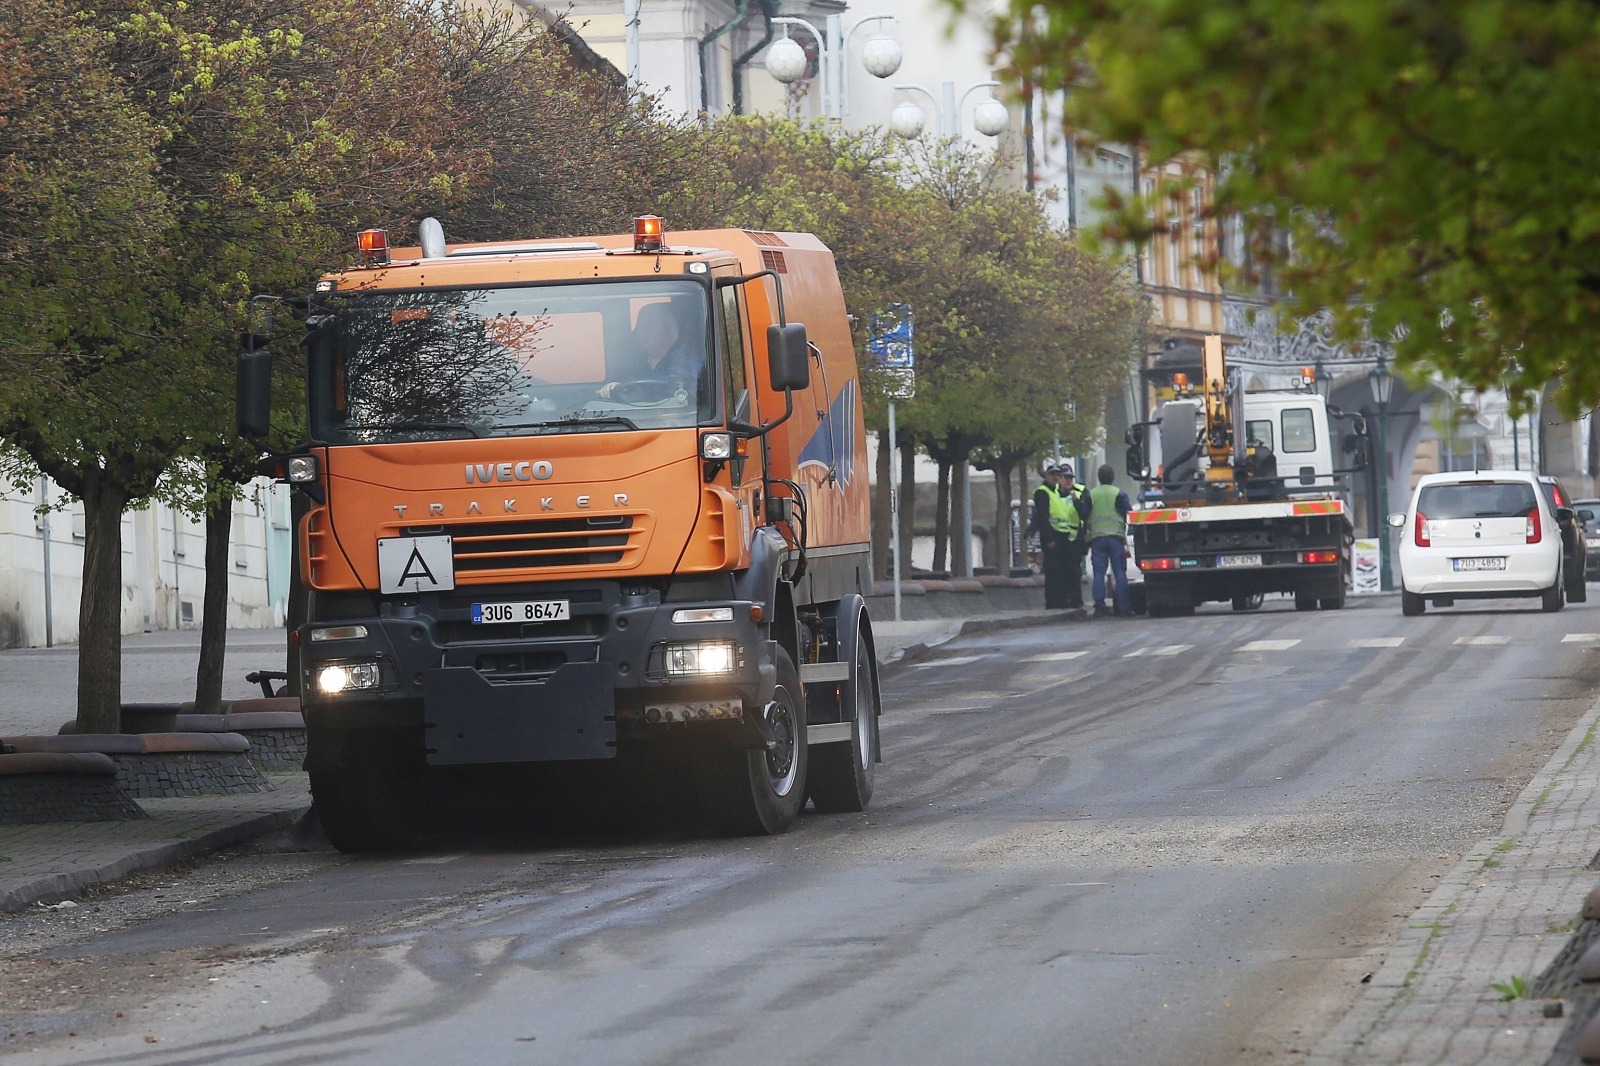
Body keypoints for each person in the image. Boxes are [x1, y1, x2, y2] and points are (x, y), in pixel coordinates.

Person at [599, 298, 703, 398]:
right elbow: (625, 382)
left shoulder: (689, 362)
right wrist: (614, 388)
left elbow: (671, 389)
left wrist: (629, 390)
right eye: (639, 328)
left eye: (647, 327)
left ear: (669, 331)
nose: (639, 334)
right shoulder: (635, 363)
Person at [1077, 462, 1133, 617]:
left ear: (1099, 478)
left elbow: (1084, 514)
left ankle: (1100, 606)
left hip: (1097, 538)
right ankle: (1124, 608)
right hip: (1115, 537)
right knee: (1120, 572)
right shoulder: (1119, 493)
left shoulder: (1091, 494)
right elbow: (1128, 513)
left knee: (1099, 573)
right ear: (1113, 478)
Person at [1030, 465, 1085, 609]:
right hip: (1053, 538)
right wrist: (1049, 539)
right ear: (1046, 476)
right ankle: (1054, 602)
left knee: (1062, 572)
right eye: (1053, 475)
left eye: (1057, 475)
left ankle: (1061, 601)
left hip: (1063, 537)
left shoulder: (1055, 492)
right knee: (1053, 572)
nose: (1056, 477)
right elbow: (1043, 517)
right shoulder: (1044, 492)